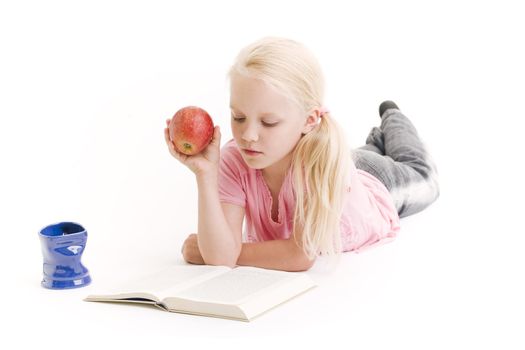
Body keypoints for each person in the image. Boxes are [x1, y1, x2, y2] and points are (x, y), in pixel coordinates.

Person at [163, 37, 439, 272]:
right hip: (348, 168)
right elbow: (223, 257)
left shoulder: (320, 162)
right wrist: (206, 176)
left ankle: (392, 118)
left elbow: (298, 255)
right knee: (364, 155)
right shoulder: (236, 158)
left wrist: (222, 252)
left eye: (269, 122)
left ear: (309, 121)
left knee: (423, 178)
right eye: (239, 117)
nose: (248, 135)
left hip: (375, 187)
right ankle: (376, 141)